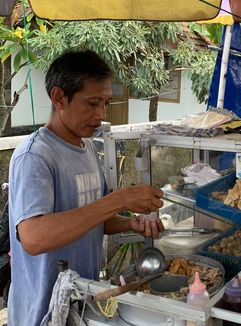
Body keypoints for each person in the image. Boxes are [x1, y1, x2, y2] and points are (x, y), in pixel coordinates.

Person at [7, 50, 165, 325]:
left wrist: (131, 224)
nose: (101, 114)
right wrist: (119, 199)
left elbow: (94, 217)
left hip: (80, 303)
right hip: (43, 311)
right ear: (59, 98)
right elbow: (33, 238)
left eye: (106, 103)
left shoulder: (88, 148)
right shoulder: (34, 156)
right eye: (92, 103)